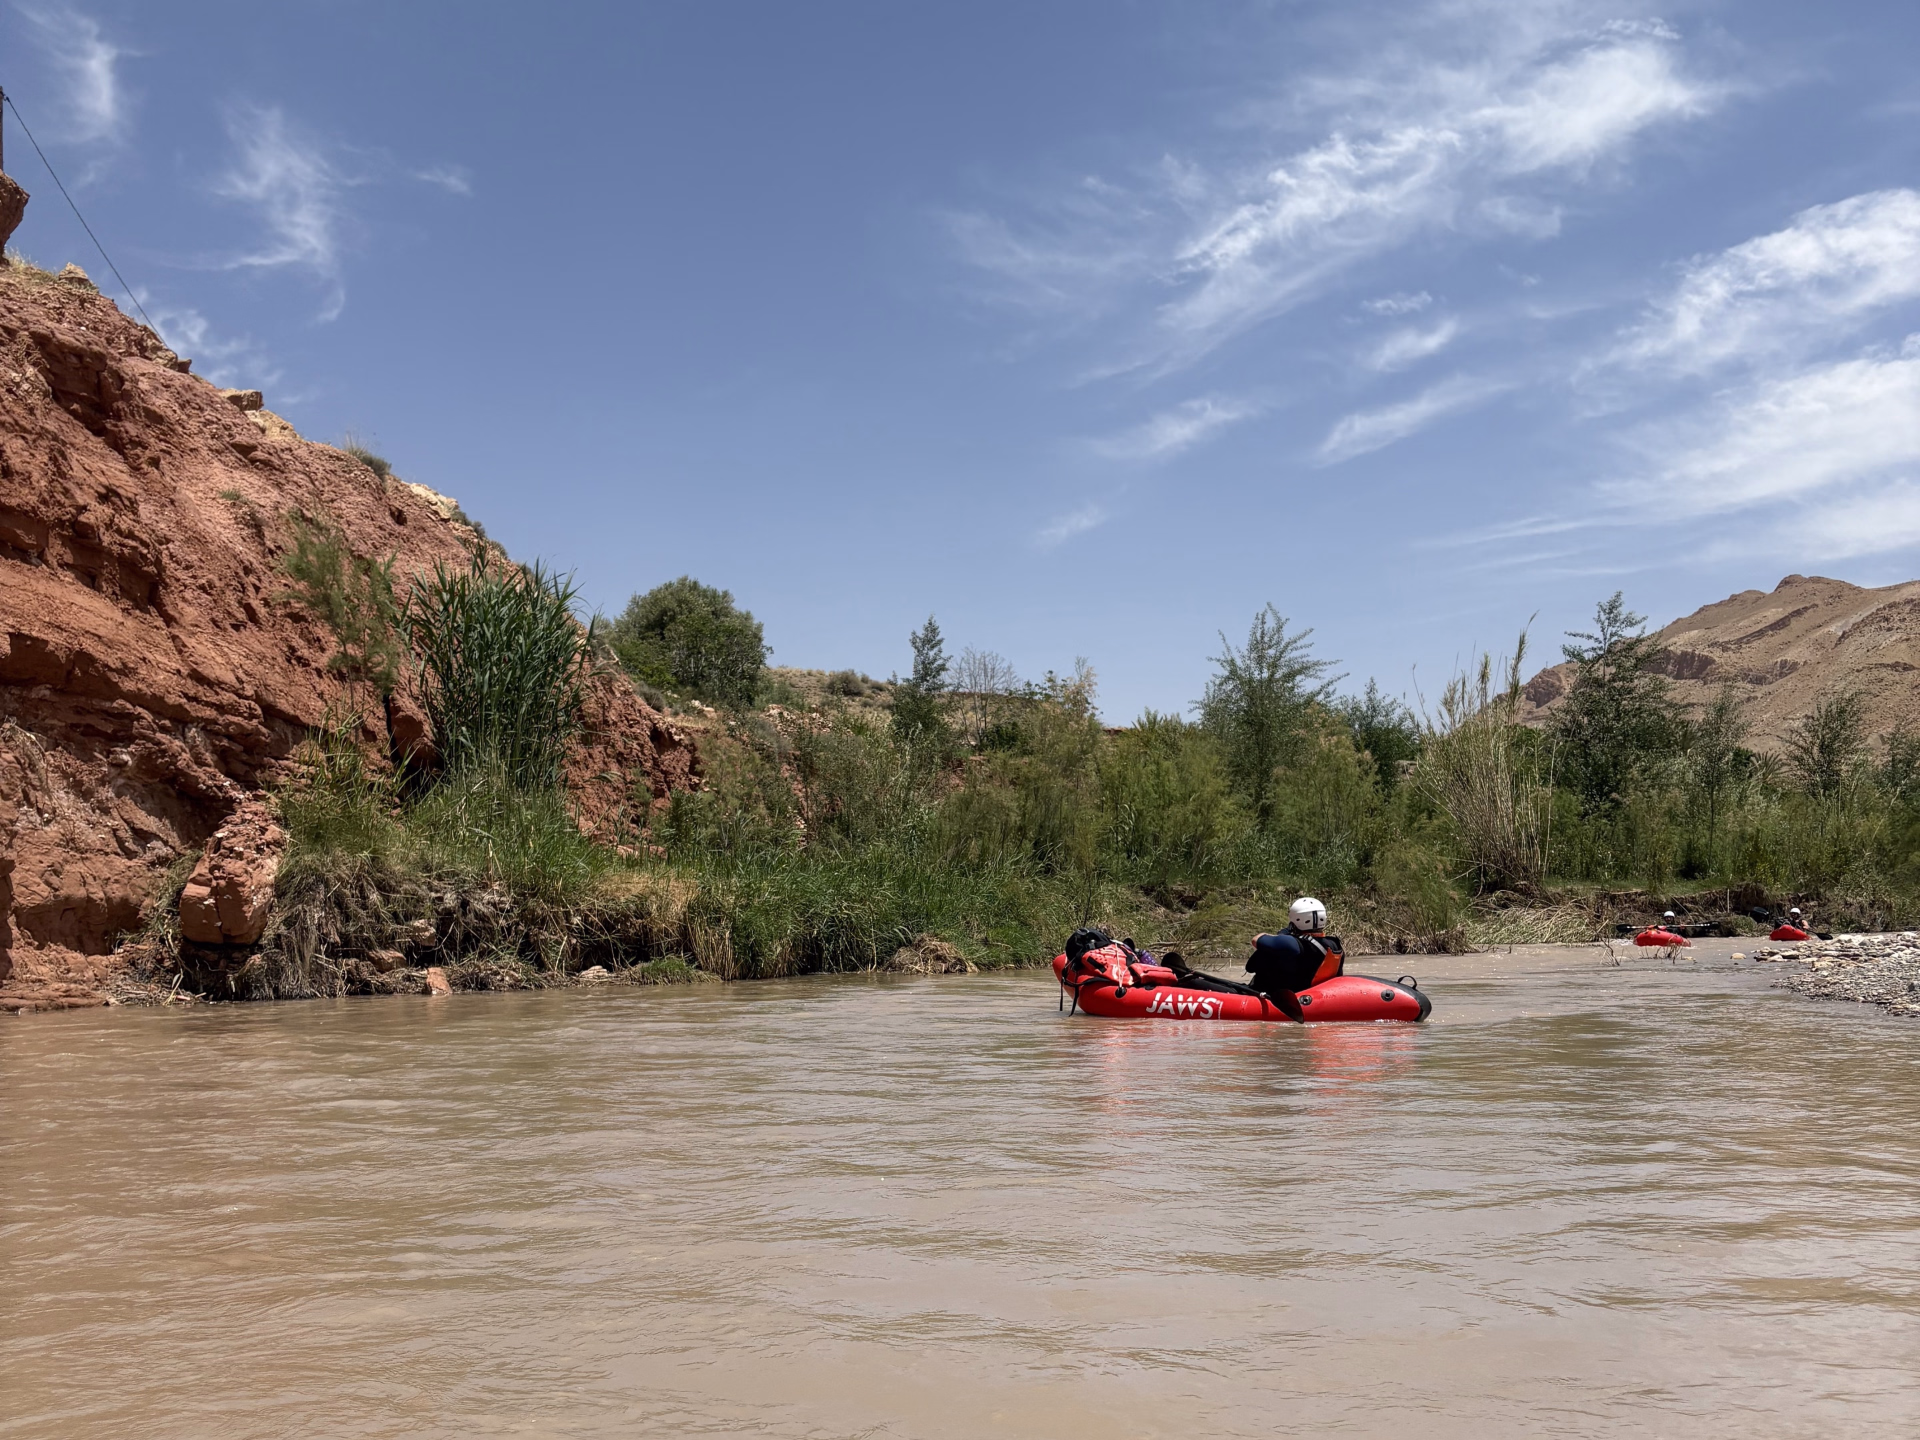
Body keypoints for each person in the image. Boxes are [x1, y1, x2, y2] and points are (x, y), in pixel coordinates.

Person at [1247, 897, 1344, 999]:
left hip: (1293, 1001)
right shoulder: (1335, 945)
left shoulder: (1291, 943)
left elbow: (1256, 940)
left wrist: (1284, 932)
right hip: (1320, 998)